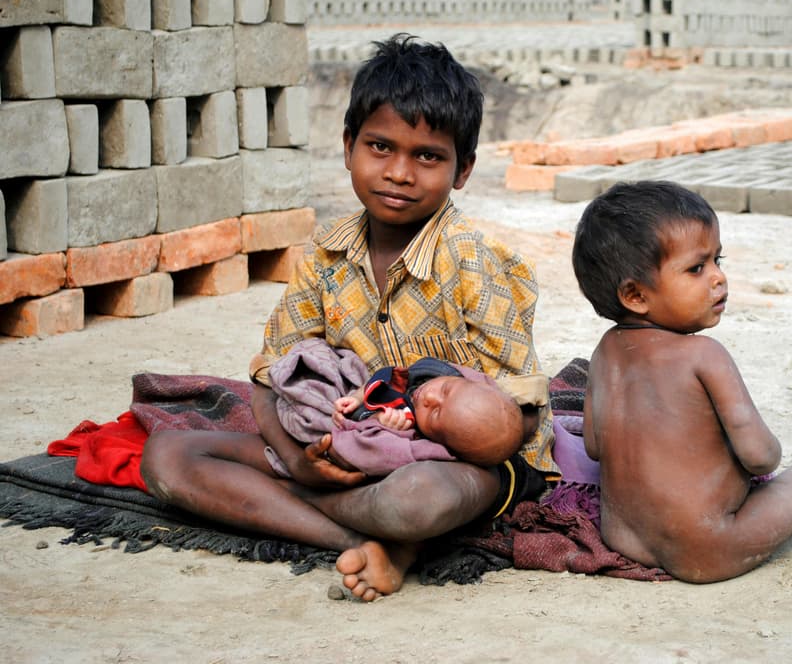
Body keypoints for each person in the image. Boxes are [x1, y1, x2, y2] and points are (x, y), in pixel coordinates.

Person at [141, 34, 558, 601]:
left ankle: (389, 530)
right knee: (168, 456)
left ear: (463, 170)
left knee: (417, 500)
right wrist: (300, 461)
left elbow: (521, 418)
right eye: (380, 147)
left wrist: (427, 440)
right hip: (335, 453)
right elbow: (272, 373)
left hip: (451, 466)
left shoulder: (474, 263)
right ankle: (371, 540)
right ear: (348, 147)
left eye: (427, 156)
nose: (399, 173)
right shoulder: (327, 256)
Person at [570, 181, 792, 583]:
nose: (718, 278)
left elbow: (593, 445)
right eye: (696, 268)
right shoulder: (704, 354)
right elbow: (762, 457)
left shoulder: (604, 352)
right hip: (708, 548)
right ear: (636, 296)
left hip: (623, 538)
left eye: (717, 261)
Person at [265, 337, 526, 476]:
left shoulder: (412, 437)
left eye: (434, 414)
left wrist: (384, 427)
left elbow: (366, 451)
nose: (429, 397)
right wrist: (358, 395)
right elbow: (388, 380)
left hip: (350, 424)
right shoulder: (455, 377)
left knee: (308, 405)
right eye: (446, 390)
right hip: (360, 392)